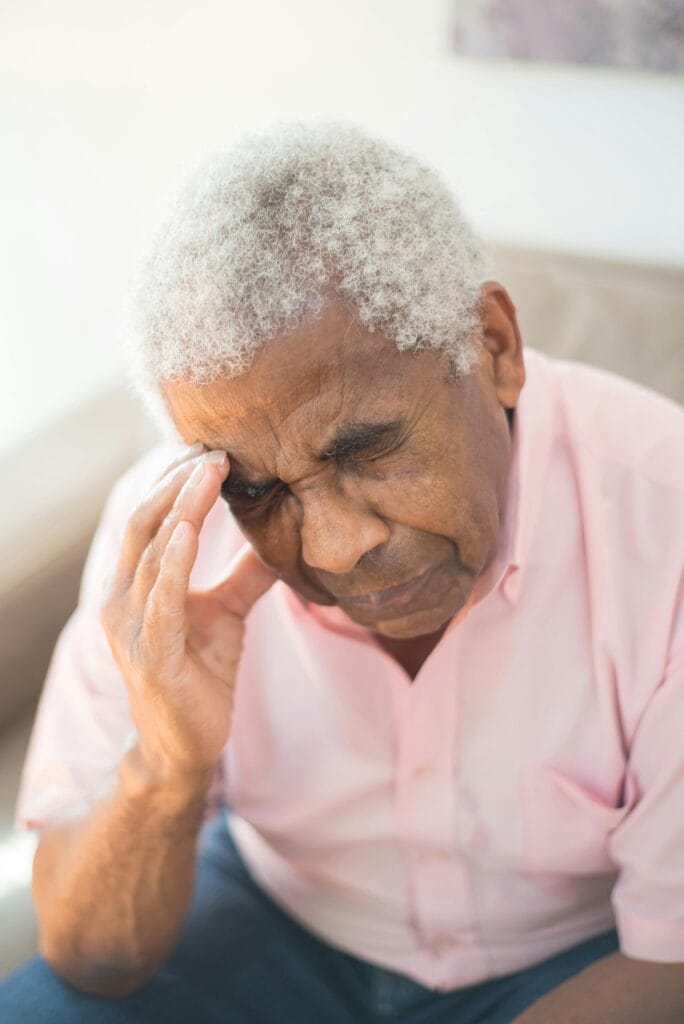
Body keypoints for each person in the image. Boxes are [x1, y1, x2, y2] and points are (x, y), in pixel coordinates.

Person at [1, 124, 683, 1024]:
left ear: (494, 346)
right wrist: (166, 765)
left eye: (367, 450)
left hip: (575, 954)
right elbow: (90, 958)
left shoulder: (661, 517)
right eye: (257, 490)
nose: (330, 547)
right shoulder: (169, 541)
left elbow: (668, 961)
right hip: (272, 916)